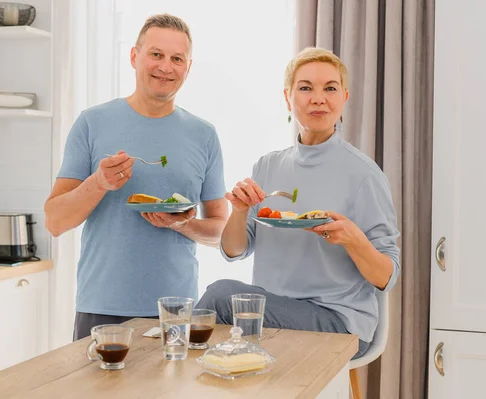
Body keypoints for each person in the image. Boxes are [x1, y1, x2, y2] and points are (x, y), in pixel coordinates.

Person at [196, 47, 400, 359]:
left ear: (344, 98)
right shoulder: (268, 166)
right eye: (305, 88)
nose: (318, 98)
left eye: (330, 88)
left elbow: (387, 276)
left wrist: (352, 238)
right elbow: (235, 250)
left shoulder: (364, 174)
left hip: (337, 321)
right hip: (273, 311)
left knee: (220, 296)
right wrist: (239, 210)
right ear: (288, 97)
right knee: (225, 311)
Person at [45, 14, 228, 340]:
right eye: (156, 54)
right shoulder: (91, 123)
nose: (166, 67)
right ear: (134, 57)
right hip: (102, 306)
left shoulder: (205, 135)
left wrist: (183, 224)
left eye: (177, 59)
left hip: (176, 311)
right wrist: (98, 183)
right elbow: (55, 221)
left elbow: (221, 232)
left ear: (188, 68)